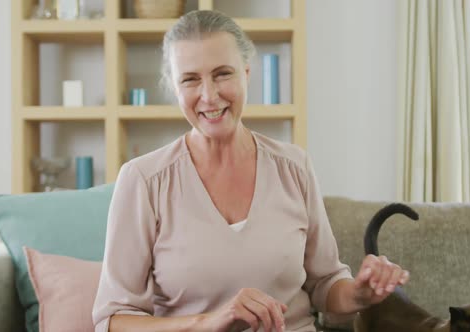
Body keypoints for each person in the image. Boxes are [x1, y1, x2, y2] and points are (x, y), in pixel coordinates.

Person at [92, 10, 409, 332]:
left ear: (246, 73)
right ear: (175, 88)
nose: (209, 95)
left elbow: (325, 284)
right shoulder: (144, 180)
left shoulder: (294, 167)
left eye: (222, 74)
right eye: (190, 79)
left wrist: (358, 293)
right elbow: (113, 320)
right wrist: (207, 322)